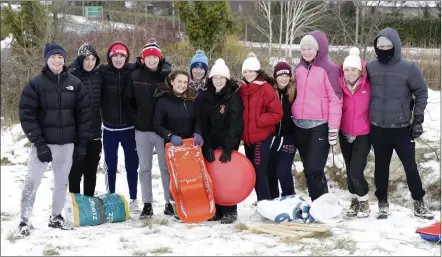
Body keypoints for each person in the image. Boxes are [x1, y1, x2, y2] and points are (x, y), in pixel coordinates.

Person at [17, 43, 90, 236]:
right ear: (46, 59)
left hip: (66, 144)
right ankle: (24, 220)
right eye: (53, 57)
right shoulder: (35, 84)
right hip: (43, 144)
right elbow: (27, 115)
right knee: (32, 181)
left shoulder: (75, 83)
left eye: (60, 57)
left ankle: (56, 217)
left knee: (61, 182)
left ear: (65, 59)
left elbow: (83, 116)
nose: (57, 61)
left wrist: (81, 144)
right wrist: (39, 144)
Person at [366, 28, 433, 220]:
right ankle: (382, 203)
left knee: (410, 166)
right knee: (381, 167)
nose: (384, 49)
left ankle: (419, 203)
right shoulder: (370, 67)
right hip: (378, 128)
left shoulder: (409, 68)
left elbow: (421, 92)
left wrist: (418, 119)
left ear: (395, 46)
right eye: (380, 46)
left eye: (388, 45)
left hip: (402, 128)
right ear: (376, 47)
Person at [123, 38, 174, 219]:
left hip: (161, 130)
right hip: (142, 130)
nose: (152, 60)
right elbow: (127, 102)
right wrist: (137, 120)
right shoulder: (135, 76)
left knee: (165, 167)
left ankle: (170, 202)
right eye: (148, 57)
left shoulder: (167, 76)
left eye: (155, 56)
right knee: (144, 168)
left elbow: (174, 99)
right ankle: (147, 204)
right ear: (143, 59)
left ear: (159, 58)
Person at [291, 31, 343, 202]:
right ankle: (323, 203)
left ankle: (318, 205)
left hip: (319, 126)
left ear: (318, 49)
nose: (306, 52)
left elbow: (336, 101)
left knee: (315, 168)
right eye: (303, 49)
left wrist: (333, 128)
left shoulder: (329, 69)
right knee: (310, 170)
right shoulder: (298, 69)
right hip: (299, 125)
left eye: (310, 48)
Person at [99, 41, 140, 212]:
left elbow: (158, 66)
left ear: (126, 57)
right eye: (115, 55)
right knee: (111, 165)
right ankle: (111, 197)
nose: (118, 59)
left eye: (121, 55)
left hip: (129, 129)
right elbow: (80, 68)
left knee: (132, 164)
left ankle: (133, 199)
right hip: (109, 129)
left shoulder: (133, 70)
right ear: (110, 57)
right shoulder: (101, 72)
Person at [201, 58, 243, 224]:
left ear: (226, 80)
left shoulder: (232, 97)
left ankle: (230, 210)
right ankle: (217, 210)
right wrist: (207, 146)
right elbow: (203, 123)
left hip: (227, 146)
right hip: (212, 145)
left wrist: (229, 148)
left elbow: (236, 124)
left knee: (228, 177)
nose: (218, 81)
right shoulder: (207, 96)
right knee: (214, 177)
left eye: (221, 78)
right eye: (215, 78)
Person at [239, 53, 283, 203]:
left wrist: (258, 120)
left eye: (251, 71)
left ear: (257, 71)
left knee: (259, 171)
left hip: (261, 138)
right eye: (245, 71)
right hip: (248, 139)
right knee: (252, 172)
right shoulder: (242, 89)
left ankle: (264, 203)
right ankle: (262, 201)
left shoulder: (266, 89)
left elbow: (277, 113)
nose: (248, 74)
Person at [338, 47, 371, 218]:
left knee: (356, 170)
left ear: (360, 70)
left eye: (354, 69)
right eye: (347, 70)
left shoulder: (368, 86)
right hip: (344, 133)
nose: (350, 73)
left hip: (363, 134)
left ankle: (364, 201)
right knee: (349, 168)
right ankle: (354, 200)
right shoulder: (339, 85)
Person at [68, 43, 103, 197]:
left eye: (93, 59)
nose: (90, 63)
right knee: (75, 170)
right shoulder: (71, 76)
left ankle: (89, 201)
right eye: (86, 59)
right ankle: (74, 204)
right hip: (76, 133)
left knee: (91, 170)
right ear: (80, 59)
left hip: (95, 131)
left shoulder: (98, 76)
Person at [267, 62, 296, 199]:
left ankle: (289, 197)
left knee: (283, 171)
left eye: (286, 75)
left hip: (289, 137)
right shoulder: (269, 92)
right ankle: (273, 199)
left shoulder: (294, 92)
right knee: (270, 171)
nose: (284, 78)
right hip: (271, 138)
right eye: (280, 75)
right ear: (275, 76)